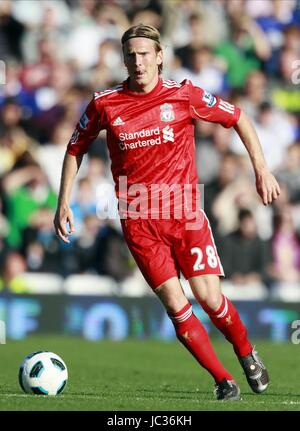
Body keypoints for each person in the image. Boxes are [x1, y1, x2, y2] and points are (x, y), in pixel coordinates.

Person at [54, 24, 280, 401]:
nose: (137, 61)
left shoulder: (184, 95)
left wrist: (261, 168)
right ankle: (223, 380)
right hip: (139, 220)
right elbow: (75, 148)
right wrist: (63, 201)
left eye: (144, 53)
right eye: (130, 55)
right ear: (124, 59)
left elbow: (238, 116)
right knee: (177, 305)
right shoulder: (104, 103)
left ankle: (245, 352)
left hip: (186, 213)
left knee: (209, 297)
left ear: (160, 56)